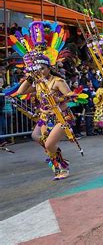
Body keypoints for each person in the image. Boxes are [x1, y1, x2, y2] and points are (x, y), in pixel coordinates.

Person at [13, 22, 76, 180]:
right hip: (45, 117)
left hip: (61, 116)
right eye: (37, 69)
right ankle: (57, 156)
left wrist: (58, 98)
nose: (40, 72)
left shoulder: (57, 81)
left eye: (42, 68)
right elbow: (20, 92)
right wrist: (29, 78)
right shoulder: (39, 83)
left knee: (48, 144)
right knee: (36, 137)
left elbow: (72, 97)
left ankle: (61, 168)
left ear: (49, 67)